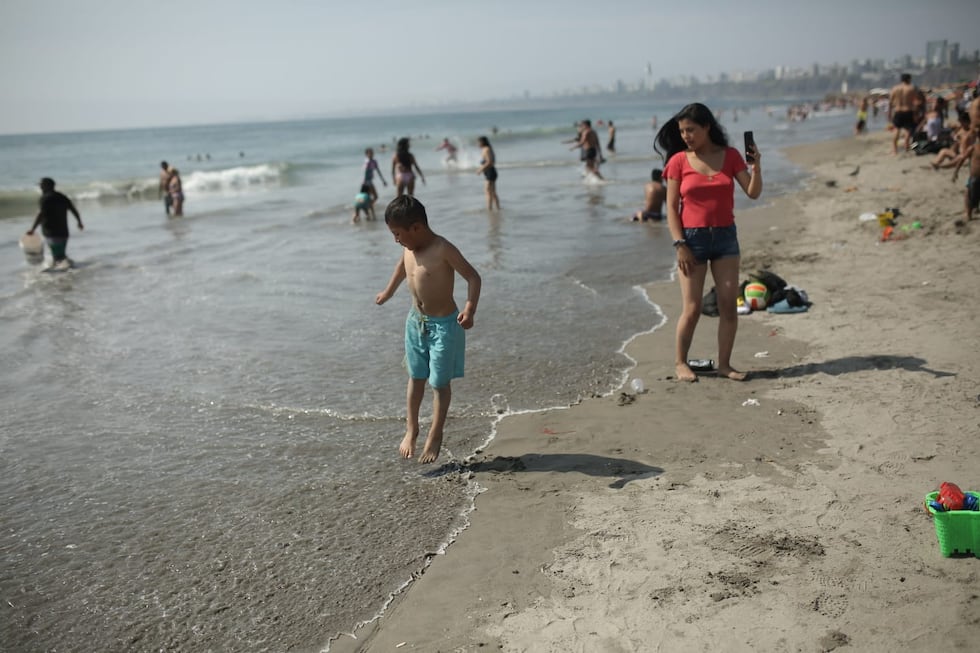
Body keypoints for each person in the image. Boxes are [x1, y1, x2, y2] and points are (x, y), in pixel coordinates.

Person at [655, 102, 762, 382]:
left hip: (726, 238)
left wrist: (756, 166)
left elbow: (752, 192)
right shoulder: (678, 161)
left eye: (691, 129)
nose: (686, 136)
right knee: (692, 308)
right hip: (692, 240)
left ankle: (725, 365)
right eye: (681, 131)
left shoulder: (730, 156)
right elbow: (671, 210)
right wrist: (680, 244)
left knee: (728, 305)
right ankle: (681, 363)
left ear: (707, 127)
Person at [375, 196, 482, 464]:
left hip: (444, 326)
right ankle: (412, 428)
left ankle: (435, 433)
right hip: (416, 322)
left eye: (398, 234)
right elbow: (402, 269)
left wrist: (469, 309)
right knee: (415, 377)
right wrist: (388, 292)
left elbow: (472, 276)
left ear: (416, 228)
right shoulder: (408, 248)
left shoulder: (442, 248)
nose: (396, 240)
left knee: (438, 382)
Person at [26, 177, 83, 268]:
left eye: (41, 185)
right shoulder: (62, 197)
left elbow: (41, 214)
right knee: (61, 255)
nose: (40, 187)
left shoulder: (45, 199)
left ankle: (62, 274)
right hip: (63, 232)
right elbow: (73, 210)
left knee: (57, 257)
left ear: (47, 186)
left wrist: (33, 229)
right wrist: (79, 222)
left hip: (51, 233)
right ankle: (68, 270)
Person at [952, 121, 980, 222]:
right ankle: (968, 214)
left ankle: (972, 210)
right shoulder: (973, 148)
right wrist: (956, 172)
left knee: (972, 195)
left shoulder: (973, 147)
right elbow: (962, 159)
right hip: (974, 177)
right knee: (969, 194)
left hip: (975, 177)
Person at [889, 73, 921, 154]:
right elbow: (916, 102)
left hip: (898, 111)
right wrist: (916, 113)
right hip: (908, 111)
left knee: (896, 129)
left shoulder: (895, 88)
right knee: (907, 130)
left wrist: (889, 113)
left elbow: (890, 102)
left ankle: (894, 150)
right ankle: (906, 147)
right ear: (909, 79)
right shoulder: (911, 88)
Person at [475, 135, 500, 211]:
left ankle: (489, 209)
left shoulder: (487, 149)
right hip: (489, 172)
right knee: (492, 192)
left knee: (488, 192)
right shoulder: (485, 149)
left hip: (490, 172)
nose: (477, 144)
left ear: (482, 142)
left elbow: (490, 162)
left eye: (478, 142)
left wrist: (480, 169)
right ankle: (498, 208)